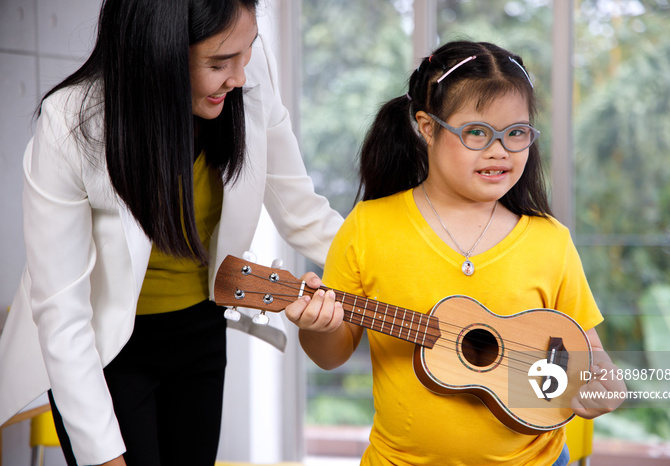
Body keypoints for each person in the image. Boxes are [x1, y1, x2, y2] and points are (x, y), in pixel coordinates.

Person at [0, 0, 342, 465]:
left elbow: (303, 211)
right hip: (105, 350)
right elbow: (63, 316)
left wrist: (401, 262)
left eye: (247, 52)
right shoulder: (71, 123)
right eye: (219, 63)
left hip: (200, 331)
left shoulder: (246, 66)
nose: (240, 76)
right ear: (158, 54)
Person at [286, 40, 626, 465]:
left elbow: (593, 360)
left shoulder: (549, 240)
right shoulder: (368, 227)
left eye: (516, 133)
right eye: (477, 133)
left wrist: (601, 389)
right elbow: (331, 356)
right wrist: (317, 326)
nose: (499, 150)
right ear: (427, 127)